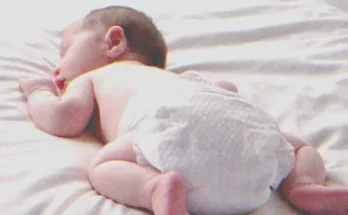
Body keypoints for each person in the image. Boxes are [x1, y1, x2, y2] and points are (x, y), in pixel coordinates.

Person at [18, 5, 348, 215]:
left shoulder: (95, 77)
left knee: (103, 165)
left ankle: (155, 189)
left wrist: (38, 92)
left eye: (66, 51)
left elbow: (65, 119)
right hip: (250, 144)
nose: (57, 68)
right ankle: (303, 184)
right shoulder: (179, 78)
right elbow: (226, 91)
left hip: (171, 135)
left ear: (113, 42)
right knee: (296, 145)